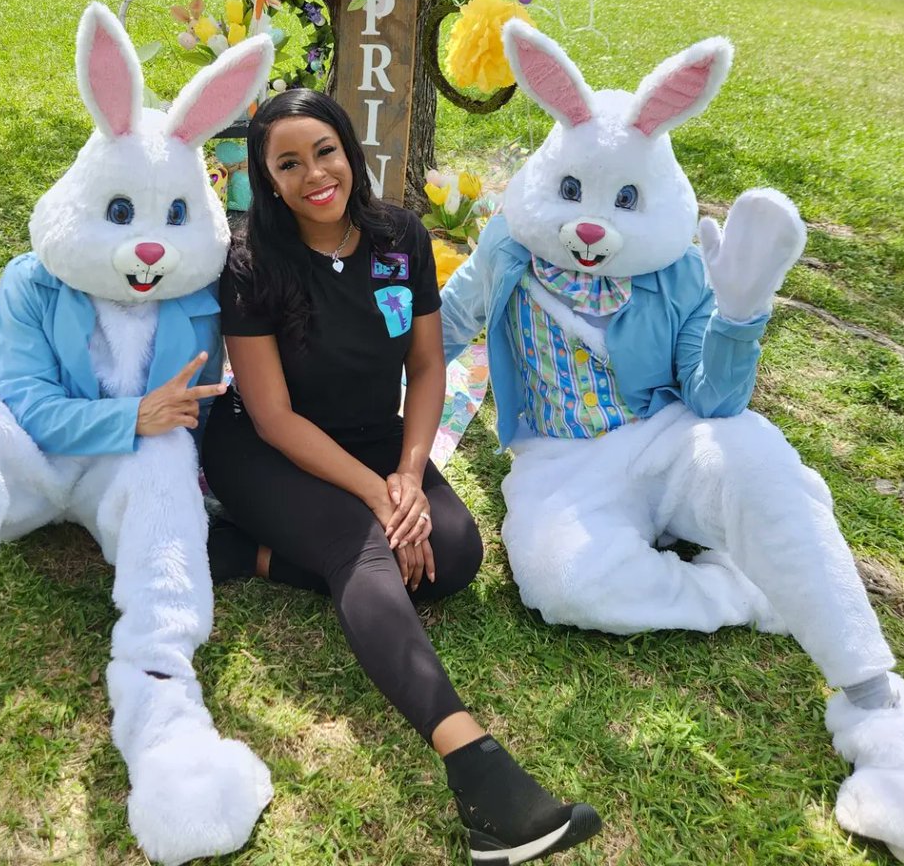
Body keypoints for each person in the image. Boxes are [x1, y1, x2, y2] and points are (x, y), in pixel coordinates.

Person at [200, 88, 603, 865]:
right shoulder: (252, 263)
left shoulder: (398, 237)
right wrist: (377, 497)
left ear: (349, 151)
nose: (314, 173)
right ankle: (478, 774)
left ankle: (249, 556)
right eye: (288, 163)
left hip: (376, 438)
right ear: (269, 179)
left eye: (324, 151)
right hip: (264, 448)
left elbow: (425, 366)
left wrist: (411, 477)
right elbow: (276, 416)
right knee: (367, 548)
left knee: (452, 554)